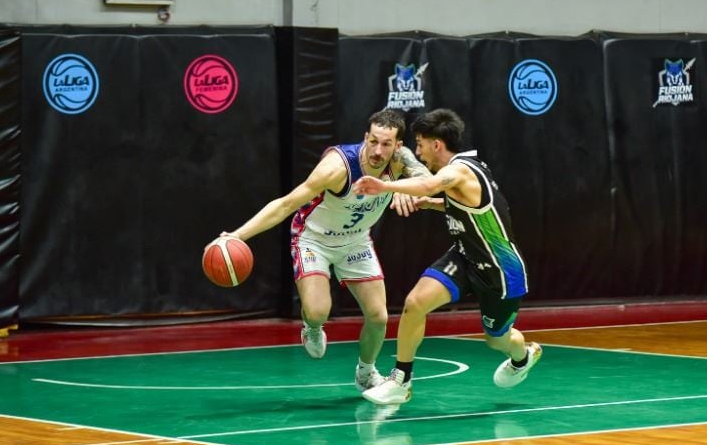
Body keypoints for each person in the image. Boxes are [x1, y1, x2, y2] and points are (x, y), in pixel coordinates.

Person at [211, 109, 430, 392]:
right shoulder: (337, 168)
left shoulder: (401, 162)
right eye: (373, 141)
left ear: (398, 146)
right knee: (317, 311)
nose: (377, 150)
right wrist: (238, 235)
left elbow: (427, 178)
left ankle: (366, 372)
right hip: (313, 239)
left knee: (378, 317)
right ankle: (312, 327)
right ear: (365, 137)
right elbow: (286, 203)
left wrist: (404, 188)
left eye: (386, 144)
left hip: (355, 241)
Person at [352, 108, 541, 405]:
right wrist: (432, 204)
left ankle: (523, 356)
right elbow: (465, 205)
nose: (418, 151)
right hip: (466, 257)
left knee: (497, 340)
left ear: (436, 145)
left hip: (500, 271)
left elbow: (428, 183)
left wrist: (384, 185)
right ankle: (401, 380)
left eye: (420, 144)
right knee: (416, 303)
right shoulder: (461, 172)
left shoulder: (458, 170)